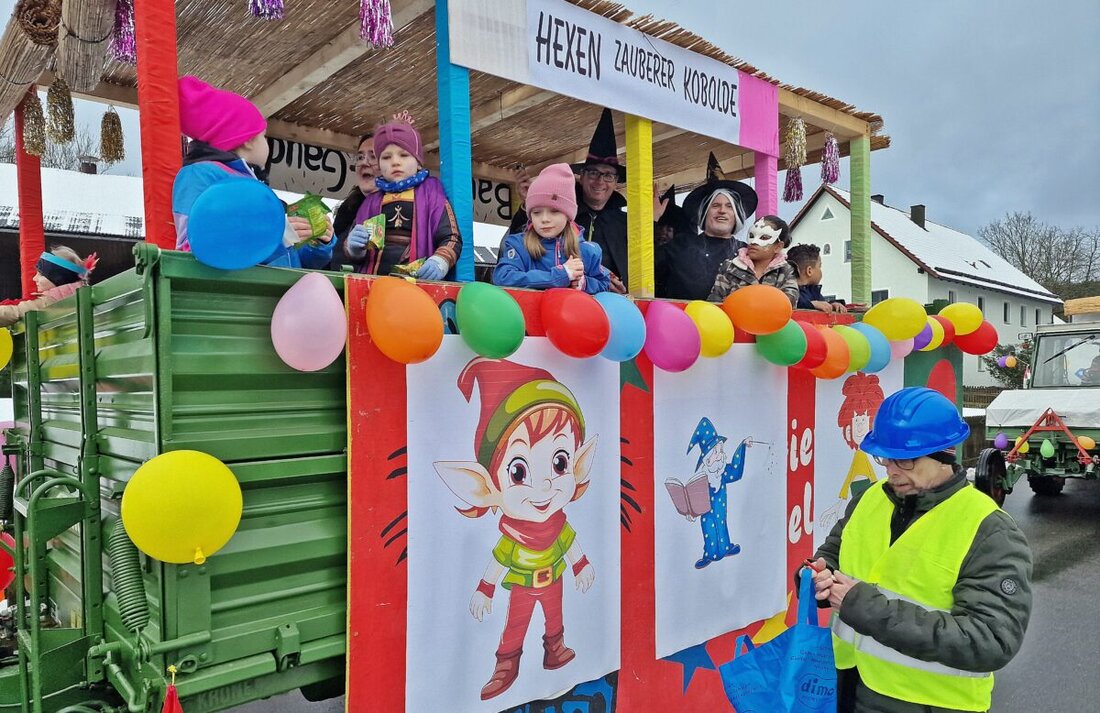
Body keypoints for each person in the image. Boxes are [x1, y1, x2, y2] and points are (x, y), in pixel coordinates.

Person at [807, 387, 1032, 713]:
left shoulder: (990, 530)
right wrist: (818, 574)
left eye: (906, 460)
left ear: (944, 455)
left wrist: (862, 606)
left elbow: (990, 641)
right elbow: (834, 551)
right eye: (885, 457)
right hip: (847, 686)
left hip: (931, 703)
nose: (892, 470)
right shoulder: (869, 499)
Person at [172, 76, 335, 269]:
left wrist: (318, 243)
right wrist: (274, 236)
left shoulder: (255, 187)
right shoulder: (198, 176)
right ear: (247, 140)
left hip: (270, 292)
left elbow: (290, 261)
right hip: (236, 295)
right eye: (263, 136)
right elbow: (194, 246)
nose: (267, 144)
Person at [506, 108, 667, 294]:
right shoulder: (561, 213)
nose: (600, 181)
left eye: (608, 176)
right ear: (581, 177)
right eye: (593, 173)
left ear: (616, 182)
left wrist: (651, 223)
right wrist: (528, 203)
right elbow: (521, 239)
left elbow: (651, 263)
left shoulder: (625, 223)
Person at [343, 113, 462, 280]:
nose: (395, 162)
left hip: (415, 286)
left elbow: (452, 237)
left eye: (404, 155)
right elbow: (353, 253)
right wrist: (353, 247)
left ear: (419, 162)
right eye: (386, 157)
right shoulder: (370, 202)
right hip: (372, 286)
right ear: (379, 164)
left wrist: (440, 261)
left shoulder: (432, 194)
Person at [493, 164, 610, 294]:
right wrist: (560, 275)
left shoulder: (589, 250)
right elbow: (502, 278)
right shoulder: (518, 245)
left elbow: (604, 283)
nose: (544, 219)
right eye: (536, 212)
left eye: (554, 211)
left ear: (568, 214)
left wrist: (584, 284)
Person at [656, 153, 757, 301]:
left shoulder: (748, 253)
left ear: (737, 215)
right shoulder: (680, 246)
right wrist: (651, 220)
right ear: (704, 213)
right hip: (686, 321)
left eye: (729, 207)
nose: (722, 210)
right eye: (715, 205)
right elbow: (643, 266)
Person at [708, 216, 799, 306]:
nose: (753, 242)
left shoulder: (787, 271)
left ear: (778, 246)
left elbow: (789, 301)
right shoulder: (729, 267)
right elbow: (715, 302)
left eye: (764, 237)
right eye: (751, 236)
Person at [0, 247, 97, 327]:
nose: (34, 278)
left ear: (58, 279)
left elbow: (14, 312)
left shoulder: (51, 302)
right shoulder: (73, 297)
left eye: (41, 275)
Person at [329, 132, 379, 270]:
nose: (364, 162)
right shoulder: (348, 209)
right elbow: (331, 264)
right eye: (360, 157)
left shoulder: (410, 204)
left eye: (373, 156)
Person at [787, 243, 848, 313]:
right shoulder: (789, 291)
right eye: (819, 266)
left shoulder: (813, 291)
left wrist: (833, 305)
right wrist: (811, 305)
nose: (820, 271)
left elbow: (822, 303)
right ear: (809, 271)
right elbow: (790, 303)